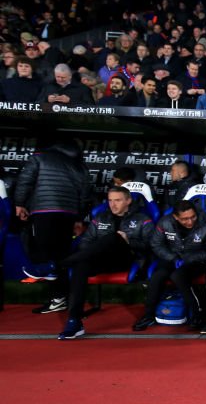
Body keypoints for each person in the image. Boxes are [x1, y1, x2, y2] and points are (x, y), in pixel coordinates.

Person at [57, 187, 154, 339]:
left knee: (115, 238)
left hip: (127, 259)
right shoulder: (100, 218)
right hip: (102, 260)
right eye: (110, 200)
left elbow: (150, 246)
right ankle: (74, 321)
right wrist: (100, 249)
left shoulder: (143, 219)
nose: (113, 205)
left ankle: (58, 265)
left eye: (118, 200)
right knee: (80, 266)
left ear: (128, 201)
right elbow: (85, 243)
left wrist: (129, 241)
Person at [15, 140, 93, 314]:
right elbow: (86, 195)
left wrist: (19, 203)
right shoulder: (80, 165)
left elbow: (25, 181)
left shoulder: (40, 157)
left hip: (44, 211)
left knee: (48, 257)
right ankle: (61, 298)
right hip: (68, 214)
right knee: (61, 256)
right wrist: (79, 218)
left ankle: (58, 297)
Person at [135, 200, 206, 333]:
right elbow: (156, 244)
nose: (190, 222)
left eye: (193, 217)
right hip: (172, 257)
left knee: (178, 276)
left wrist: (187, 259)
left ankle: (198, 315)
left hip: (196, 260)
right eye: (185, 219)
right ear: (175, 217)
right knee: (158, 276)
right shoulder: (165, 222)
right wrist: (173, 258)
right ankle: (148, 315)